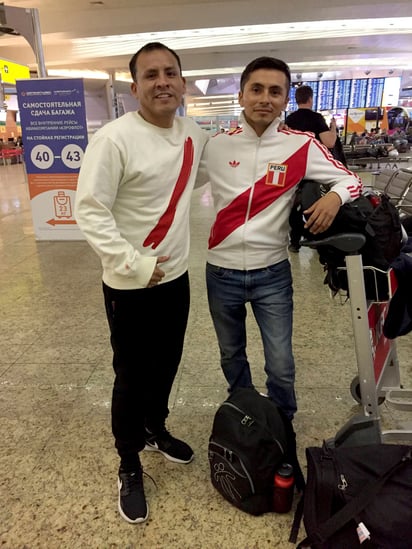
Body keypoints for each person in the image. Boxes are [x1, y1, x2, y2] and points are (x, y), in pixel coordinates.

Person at [74, 42, 208, 525]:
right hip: (129, 286)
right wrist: (132, 263)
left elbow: (215, 176)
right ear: (134, 88)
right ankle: (128, 460)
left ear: (183, 81)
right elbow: (90, 210)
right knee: (131, 374)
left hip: (176, 277)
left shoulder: (194, 134)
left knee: (168, 362)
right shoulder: (113, 140)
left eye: (170, 72)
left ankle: (156, 428)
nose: (162, 82)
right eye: (150, 75)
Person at [204, 56, 362, 422]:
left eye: (275, 91)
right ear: (241, 95)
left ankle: (282, 425)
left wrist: (334, 197)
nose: (265, 98)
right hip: (221, 272)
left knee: (280, 362)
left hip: (271, 272)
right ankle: (243, 415)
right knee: (231, 354)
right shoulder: (216, 145)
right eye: (256, 89)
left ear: (286, 98)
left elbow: (349, 179)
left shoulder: (301, 145)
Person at [285, 85, 338, 252]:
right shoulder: (316, 118)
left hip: (294, 168)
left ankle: (294, 242)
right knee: (314, 202)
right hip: (313, 168)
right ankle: (316, 238)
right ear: (310, 99)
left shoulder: (290, 119)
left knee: (294, 206)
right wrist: (333, 128)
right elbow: (329, 142)